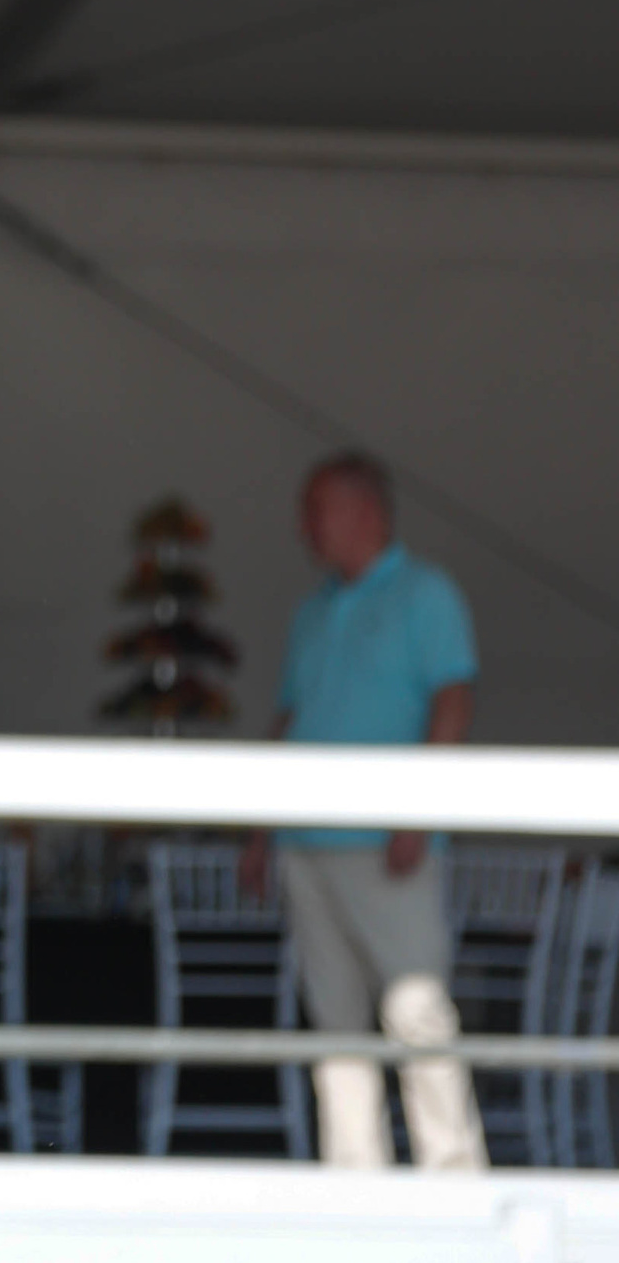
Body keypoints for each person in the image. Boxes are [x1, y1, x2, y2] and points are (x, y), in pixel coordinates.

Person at [245, 453, 484, 1172]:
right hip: (306, 840)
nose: (305, 527)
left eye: (317, 509)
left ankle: (453, 1177)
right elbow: (291, 716)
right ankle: (356, 1179)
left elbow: (453, 699)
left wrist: (418, 808)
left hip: (384, 838)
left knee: (416, 1007)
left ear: (365, 512)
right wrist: (259, 826)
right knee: (336, 1020)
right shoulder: (313, 609)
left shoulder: (426, 594)